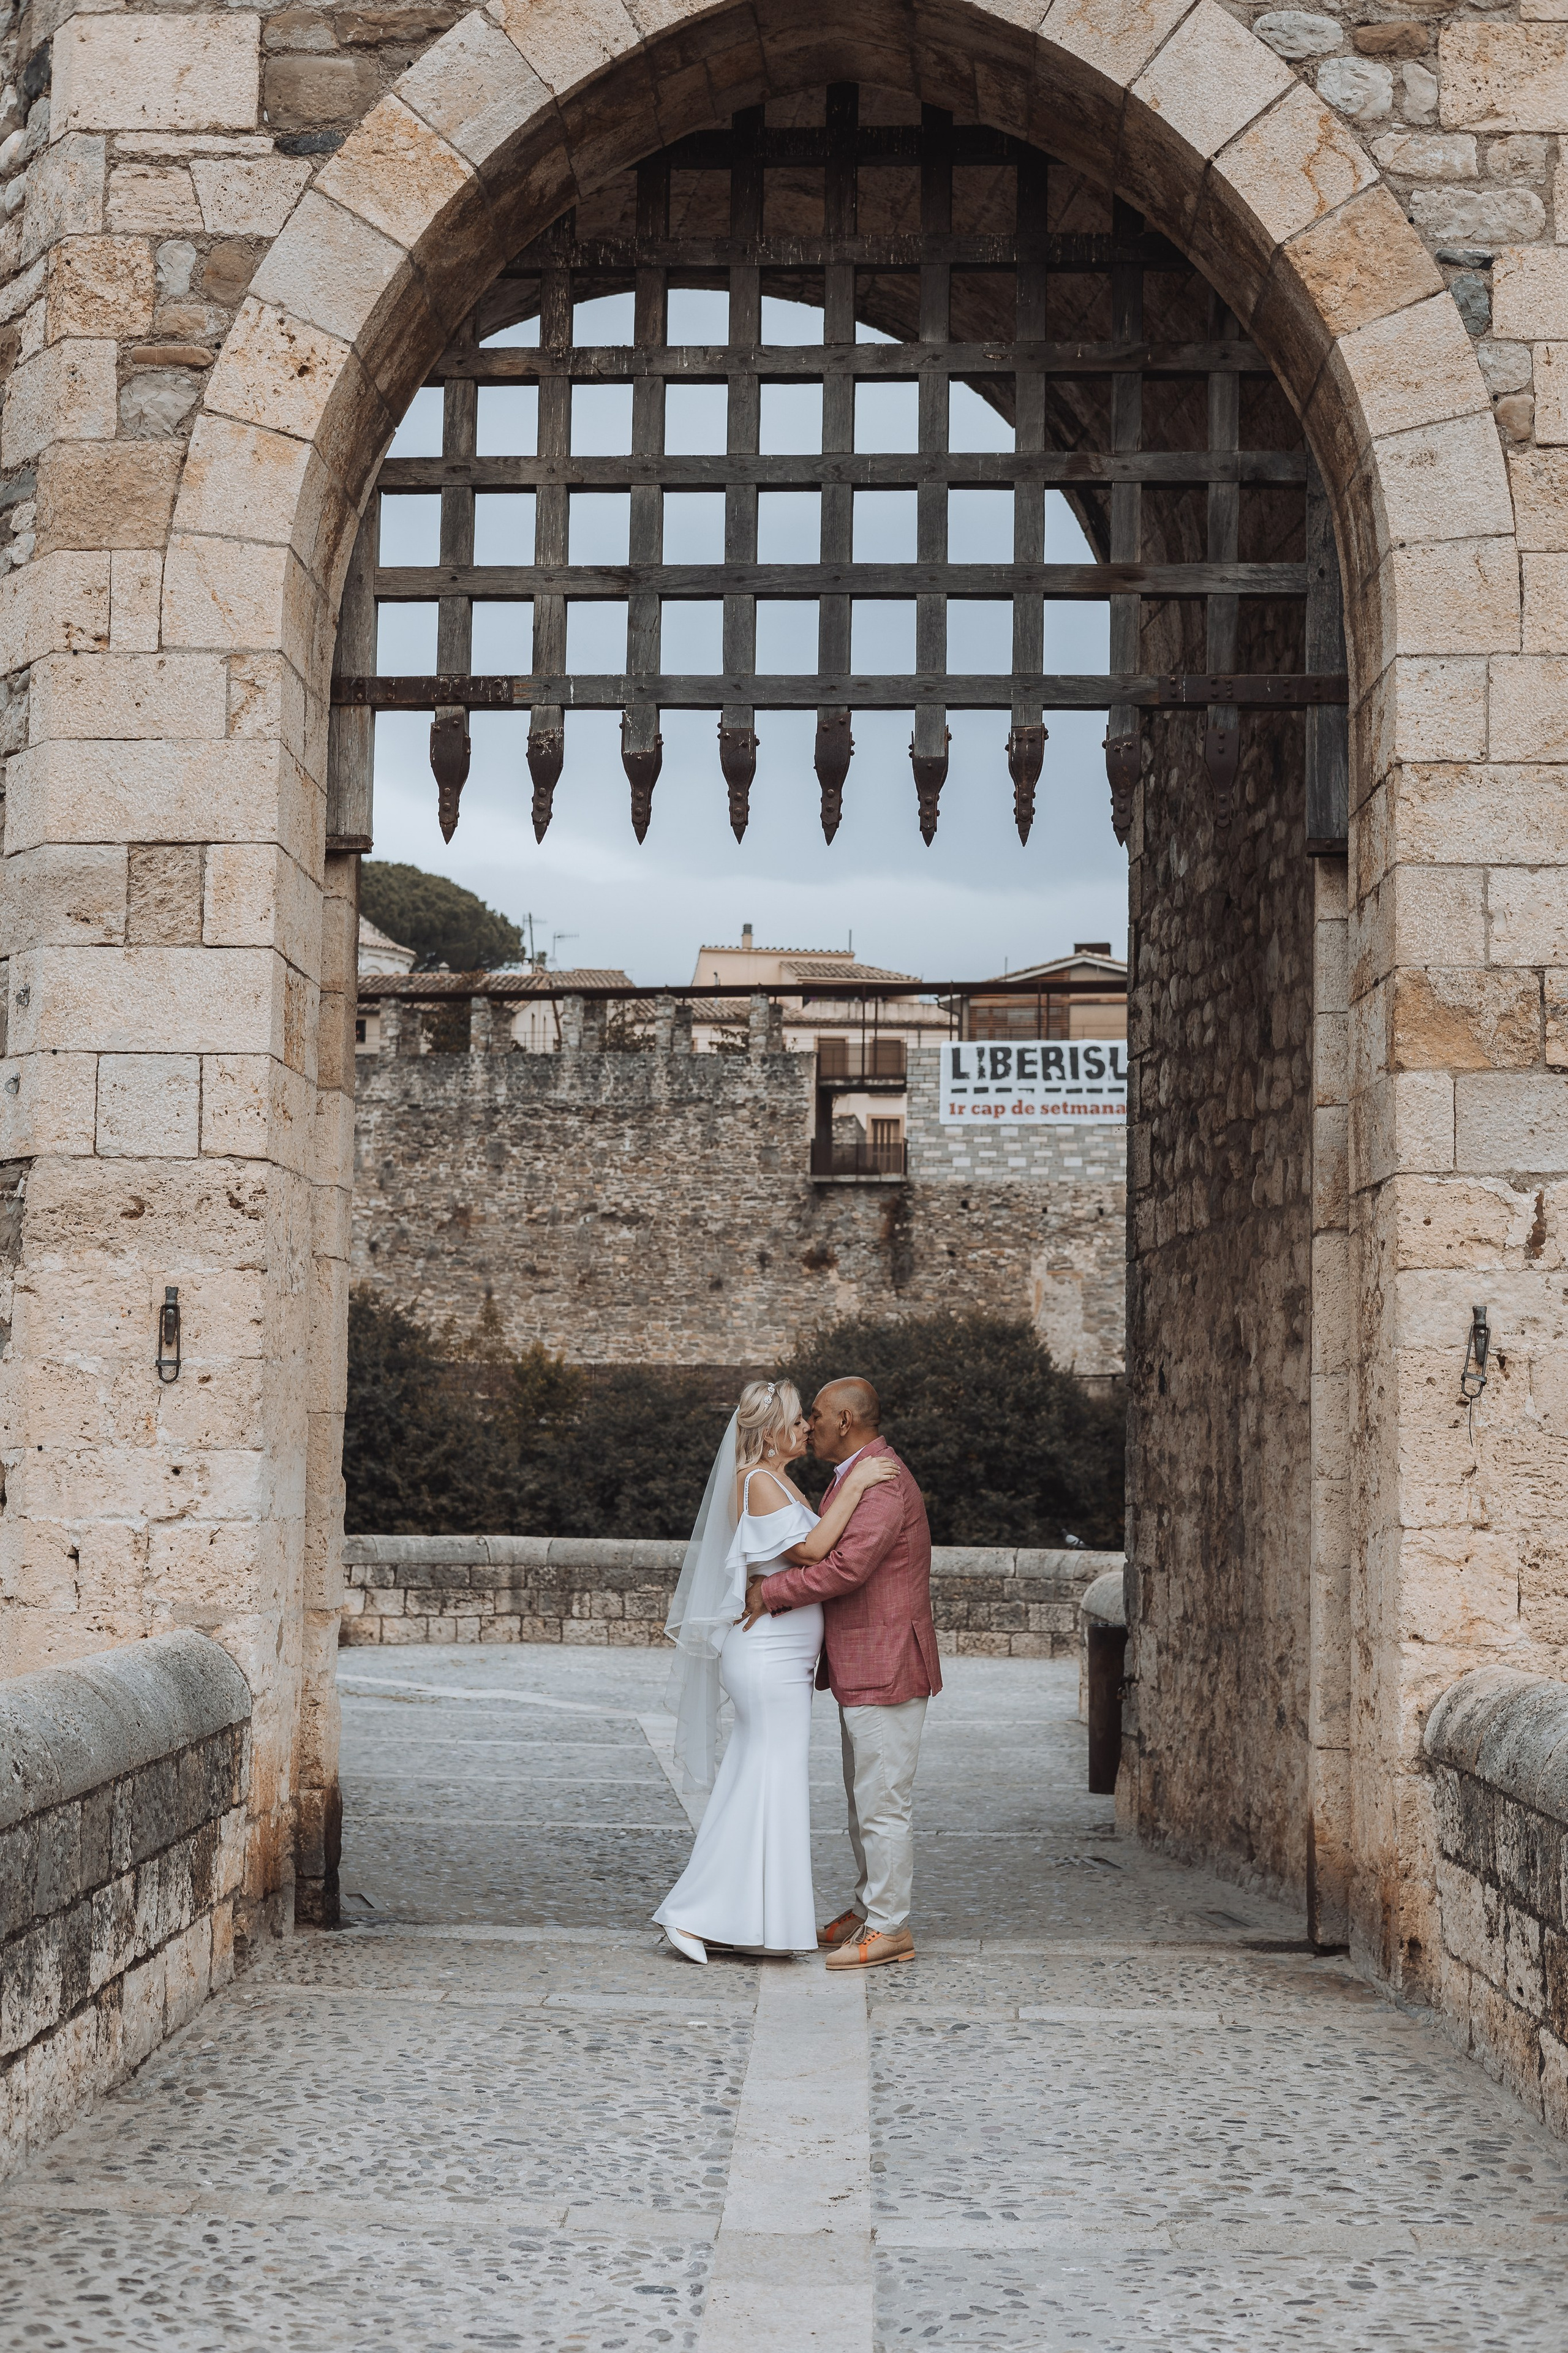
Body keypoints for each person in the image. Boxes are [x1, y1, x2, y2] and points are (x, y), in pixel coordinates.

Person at [653, 1378, 896, 1965]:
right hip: (767, 1660)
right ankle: (690, 1913)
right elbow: (813, 1553)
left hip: (783, 1658)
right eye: (797, 1420)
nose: (807, 1428)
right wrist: (859, 1482)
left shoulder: (778, 1480)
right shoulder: (758, 1480)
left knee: (765, 1786)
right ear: (771, 1432)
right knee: (763, 1782)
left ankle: (751, 1919)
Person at [741, 1377, 940, 1971]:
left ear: (847, 1422)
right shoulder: (856, 1474)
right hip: (867, 1663)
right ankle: (867, 1908)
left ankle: (889, 1927)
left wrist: (769, 1591)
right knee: (866, 1799)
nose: (811, 1426)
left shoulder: (880, 1482)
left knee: (883, 1802)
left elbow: (845, 1569)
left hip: (887, 1663)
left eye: (819, 1416)